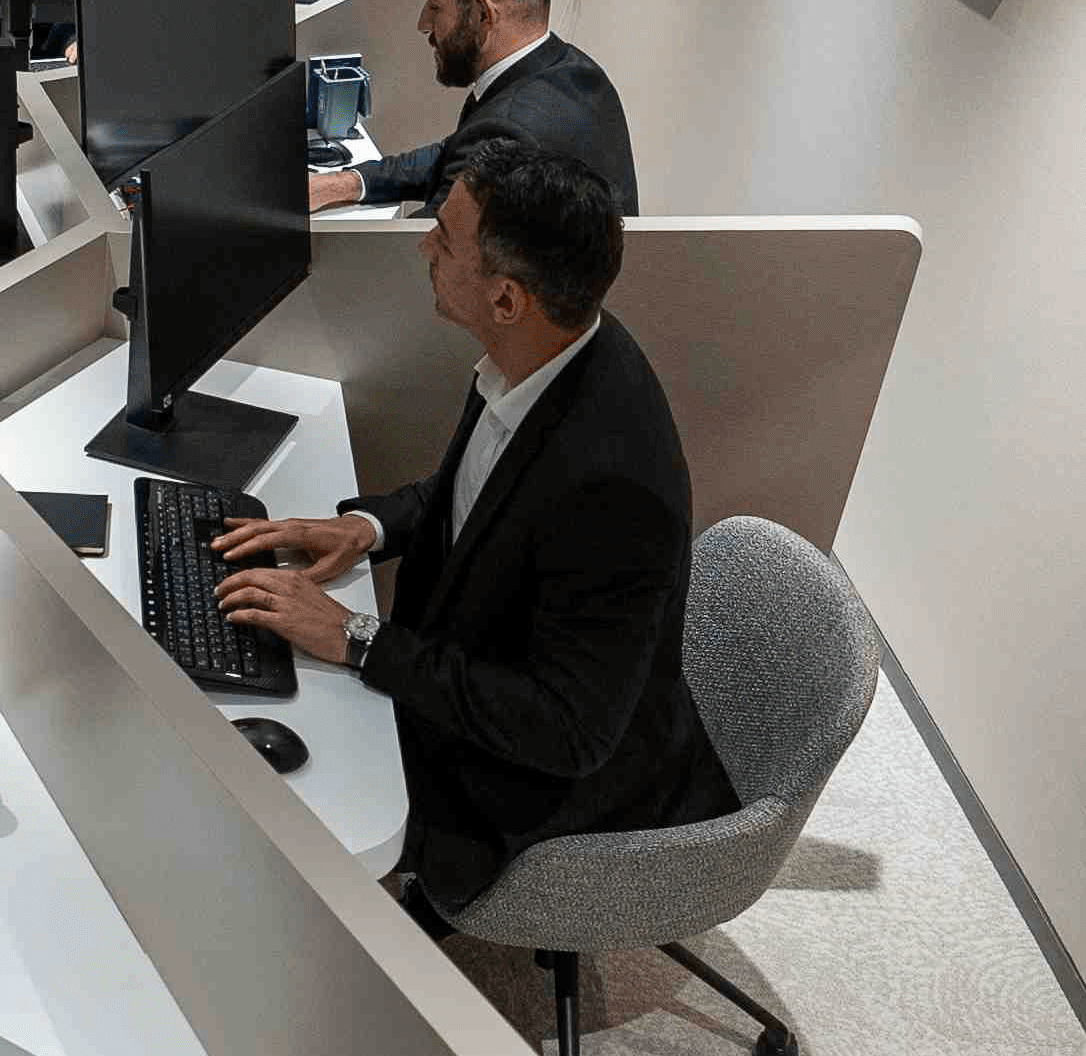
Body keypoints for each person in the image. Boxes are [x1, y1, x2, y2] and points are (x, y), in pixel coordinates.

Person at [214, 148, 734, 924]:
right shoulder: (546, 354)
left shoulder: (610, 485)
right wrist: (366, 527)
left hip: (540, 787)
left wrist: (354, 637)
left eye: (445, 239)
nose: (424, 244)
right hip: (474, 672)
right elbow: (473, 492)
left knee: (263, 792)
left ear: (504, 298)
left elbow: (568, 732)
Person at [309, 0, 637, 219]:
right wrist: (344, 183)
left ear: (482, 15)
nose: (423, 23)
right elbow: (453, 153)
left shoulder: (510, 130)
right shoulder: (577, 71)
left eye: (435, 7)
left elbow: (424, 251)